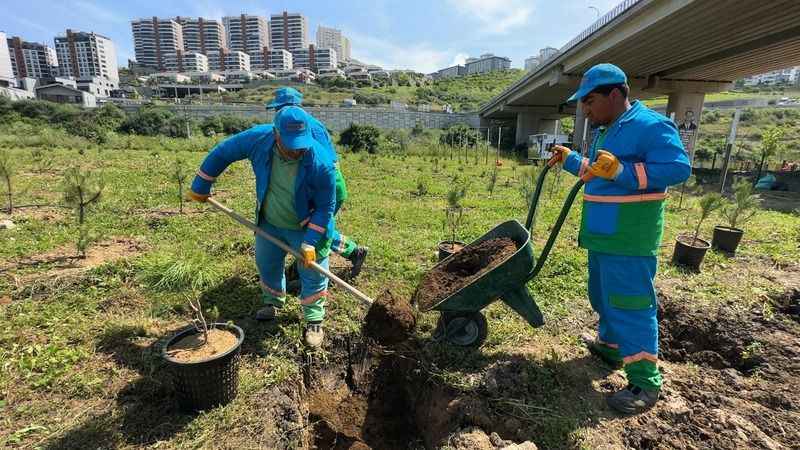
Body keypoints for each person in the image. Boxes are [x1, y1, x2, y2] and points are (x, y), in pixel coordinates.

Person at [550, 63, 691, 414]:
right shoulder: (608, 130)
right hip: (601, 234)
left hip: (629, 238)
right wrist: (571, 160)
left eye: (590, 101)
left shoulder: (651, 125)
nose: (585, 109)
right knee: (601, 295)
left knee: (630, 304)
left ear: (615, 95)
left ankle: (645, 382)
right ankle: (611, 347)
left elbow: (678, 169)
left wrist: (625, 171)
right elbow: (600, 173)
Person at [188, 106, 337, 348]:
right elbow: (223, 153)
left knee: (314, 271)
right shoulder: (259, 138)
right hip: (269, 221)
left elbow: (325, 208)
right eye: (290, 143)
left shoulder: (321, 163)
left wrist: (310, 241)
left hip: (305, 224)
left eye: (301, 143)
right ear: (276, 134)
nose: (297, 149)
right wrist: (201, 185)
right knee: (266, 262)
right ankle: (273, 302)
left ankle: (314, 319)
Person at [267, 87, 369, 279]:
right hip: (326, 182)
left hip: (323, 184)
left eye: (278, 108)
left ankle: (321, 267)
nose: (276, 113)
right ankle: (353, 251)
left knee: (313, 226)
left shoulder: (299, 128)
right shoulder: (308, 123)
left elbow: (320, 164)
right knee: (313, 226)